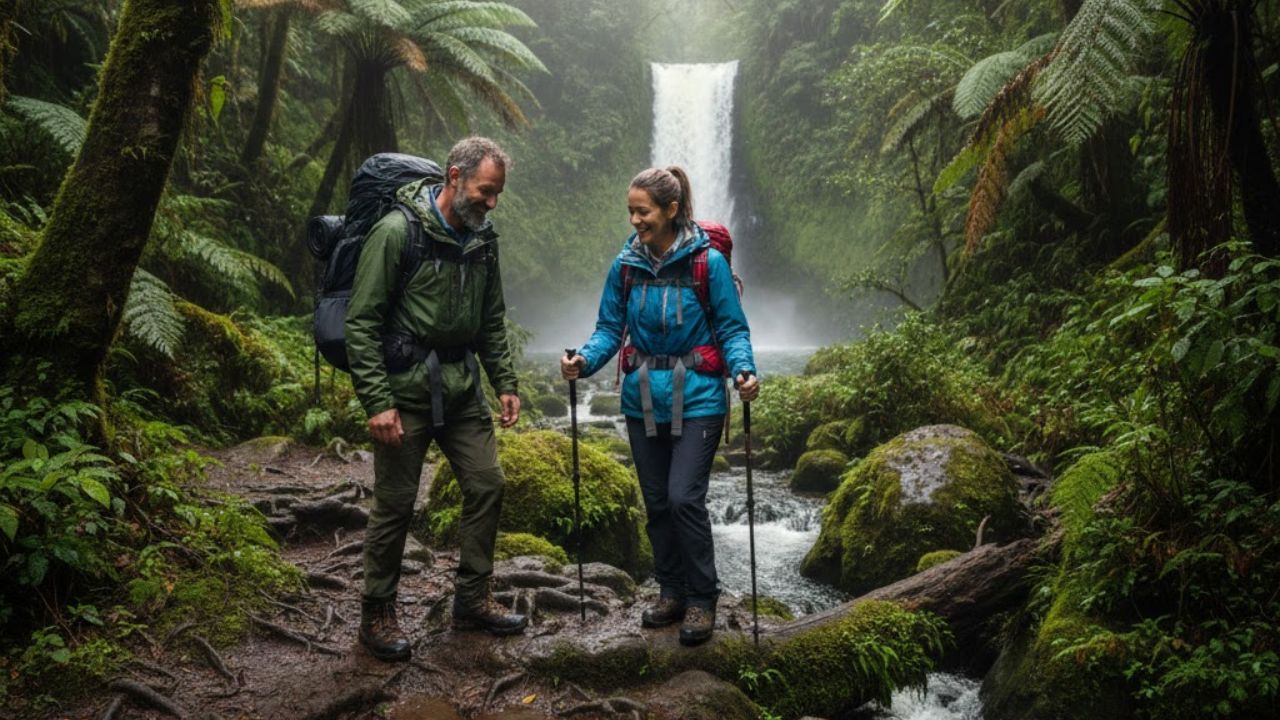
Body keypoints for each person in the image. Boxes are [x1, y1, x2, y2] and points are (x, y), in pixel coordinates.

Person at [346, 137, 527, 662]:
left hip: (462, 388)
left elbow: (491, 319)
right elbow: (361, 323)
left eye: (497, 194)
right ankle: (376, 613)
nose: (491, 203)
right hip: (404, 393)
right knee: (396, 505)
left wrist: (505, 382)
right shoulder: (397, 232)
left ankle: (472, 599)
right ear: (454, 177)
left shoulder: (483, 240)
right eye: (485, 191)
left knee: (487, 482)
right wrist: (376, 402)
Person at [561, 166, 758, 646]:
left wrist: (743, 370)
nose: (634, 220)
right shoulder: (625, 266)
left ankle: (702, 598)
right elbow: (610, 328)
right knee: (655, 502)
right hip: (642, 397)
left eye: (642, 211)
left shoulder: (706, 264)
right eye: (630, 211)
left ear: (671, 210)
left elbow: (732, 329)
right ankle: (670, 591)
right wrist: (583, 361)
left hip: (700, 398)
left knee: (683, 498)